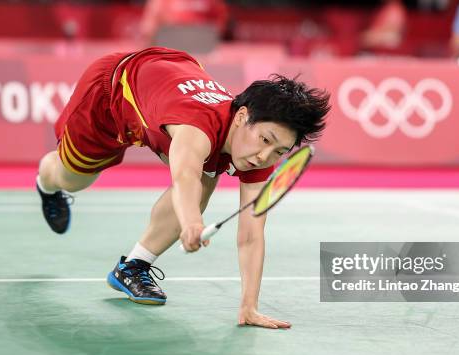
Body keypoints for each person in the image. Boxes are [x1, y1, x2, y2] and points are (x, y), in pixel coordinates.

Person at [35, 47, 330, 329]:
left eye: (281, 151)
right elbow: (184, 174)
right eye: (265, 141)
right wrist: (191, 222)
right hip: (110, 93)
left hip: (165, 85)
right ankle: (45, 184)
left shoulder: (261, 153)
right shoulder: (196, 126)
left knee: (207, 173)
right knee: (73, 178)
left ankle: (133, 267)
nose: (265, 157)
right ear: (241, 118)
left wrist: (248, 306)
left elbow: (251, 233)